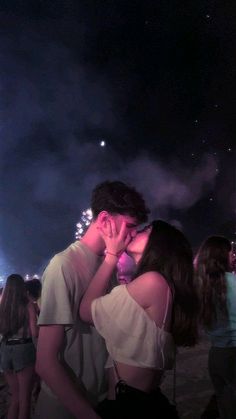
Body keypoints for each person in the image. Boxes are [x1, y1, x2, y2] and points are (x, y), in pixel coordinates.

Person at [34, 180, 149, 419]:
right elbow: (45, 362)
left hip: (98, 400)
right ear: (105, 219)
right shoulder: (63, 265)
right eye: (129, 226)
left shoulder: (108, 262)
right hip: (65, 409)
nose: (133, 234)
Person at [80, 219, 199, 418]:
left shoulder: (153, 281)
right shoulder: (156, 282)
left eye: (145, 230)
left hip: (131, 408)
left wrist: (111, 255)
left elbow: (85, 312)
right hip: (139, 402)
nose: (134, 233)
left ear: (160, 244)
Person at [195, 235, 236, 419]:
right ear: (221, 255)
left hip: (216, 355)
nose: (233, 256)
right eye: (230, 252)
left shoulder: (201, 286)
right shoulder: (233, 282)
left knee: (225, 403)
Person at [0, 274, 38, 419]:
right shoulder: (27, 304)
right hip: (23, 349)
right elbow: (34, 332)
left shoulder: (2, 306)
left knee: (15, 397)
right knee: (25, 398)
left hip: (5, 350)